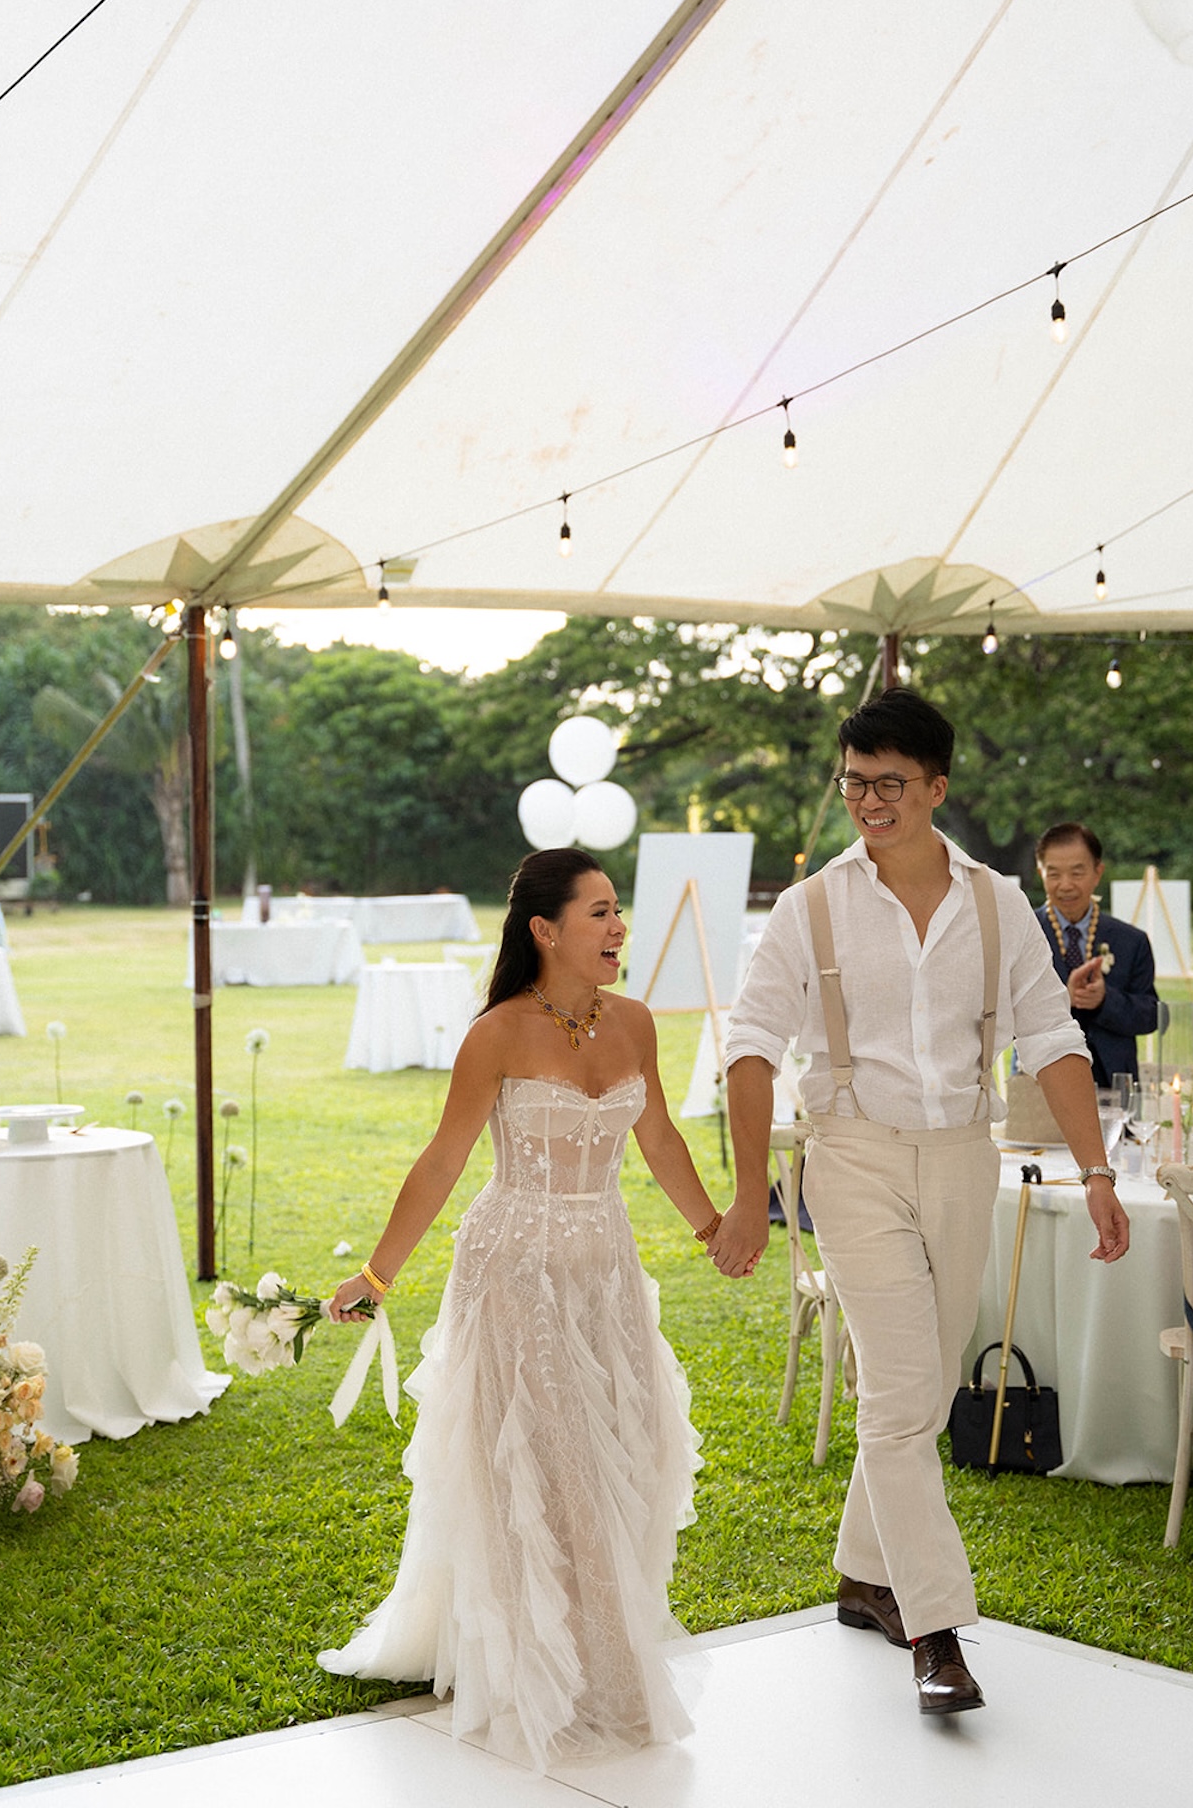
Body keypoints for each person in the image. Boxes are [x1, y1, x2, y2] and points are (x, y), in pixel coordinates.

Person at [716, 688, 1129, 1717]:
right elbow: (749, 1048)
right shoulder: (807, 907)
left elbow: (1052, 1043)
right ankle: (933, 1628)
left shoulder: (994, 904)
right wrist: (739, 1194)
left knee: (919, 1383)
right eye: (853, 782)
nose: (867, 802)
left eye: (888, 784)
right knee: (903, 1395)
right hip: (848, 1154)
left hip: (958, 1157)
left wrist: (1096, 1171)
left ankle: (861, 1572)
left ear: (935, 787)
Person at [318, 848, 733, 1771]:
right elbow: (443, 1159)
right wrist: (378, 1278)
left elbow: (658, 1134)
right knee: (550, 1459)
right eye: (599, 912)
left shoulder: (633, 1023)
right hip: (515, 1268)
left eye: (618, 909)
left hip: (607, 1268)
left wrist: (712, 1227)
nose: (619, 926)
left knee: (624, 1446)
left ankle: (592, 1646)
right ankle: (568, 1670)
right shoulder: (497, 1034)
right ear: (546, 930)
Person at [1033, 821, 1159, 1086]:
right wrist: (1061, 999)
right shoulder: (1023, 935)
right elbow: (997, 1017)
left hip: (1114, 1080)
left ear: (1097, 872)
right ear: (1040, 872)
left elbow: (1150, 1015)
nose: (1065, 885)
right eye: (1053, 874)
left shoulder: (1131, 941)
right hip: (1041, 1082)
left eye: (1077, 873)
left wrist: (1104, 1000)